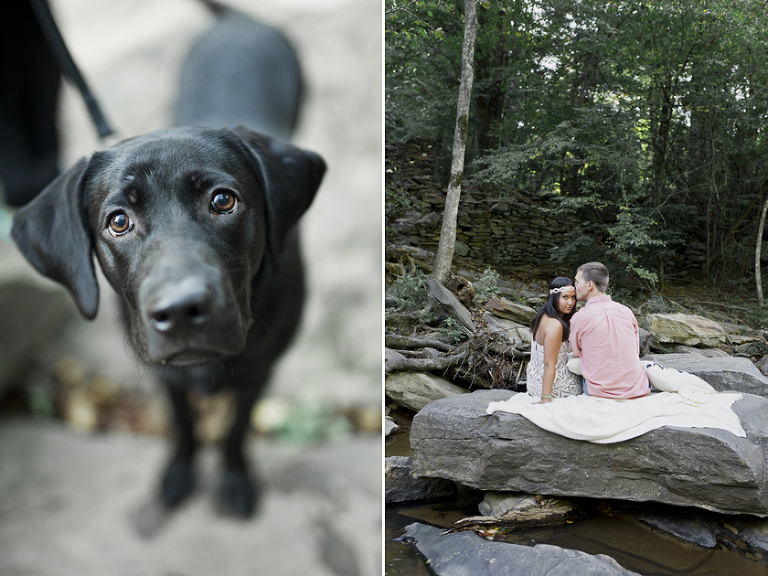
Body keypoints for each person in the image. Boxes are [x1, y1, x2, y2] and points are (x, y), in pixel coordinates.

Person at [569, 262, 650, 398]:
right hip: (636, 387)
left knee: (572, 364)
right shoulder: (626, 311)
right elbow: (635, 350)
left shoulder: (579, 317)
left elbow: (576, 352)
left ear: (589, 285)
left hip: (599, 391)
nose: (574, 286)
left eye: (577, 282)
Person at [526, 276, 581, 404]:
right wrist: (545, 398)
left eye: (573, 297)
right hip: (555, 388)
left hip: (534, 383)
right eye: (565, 297)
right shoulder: (555, 325)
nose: (570, 303)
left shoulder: (540, 316)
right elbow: (548, 364)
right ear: (554, 297)